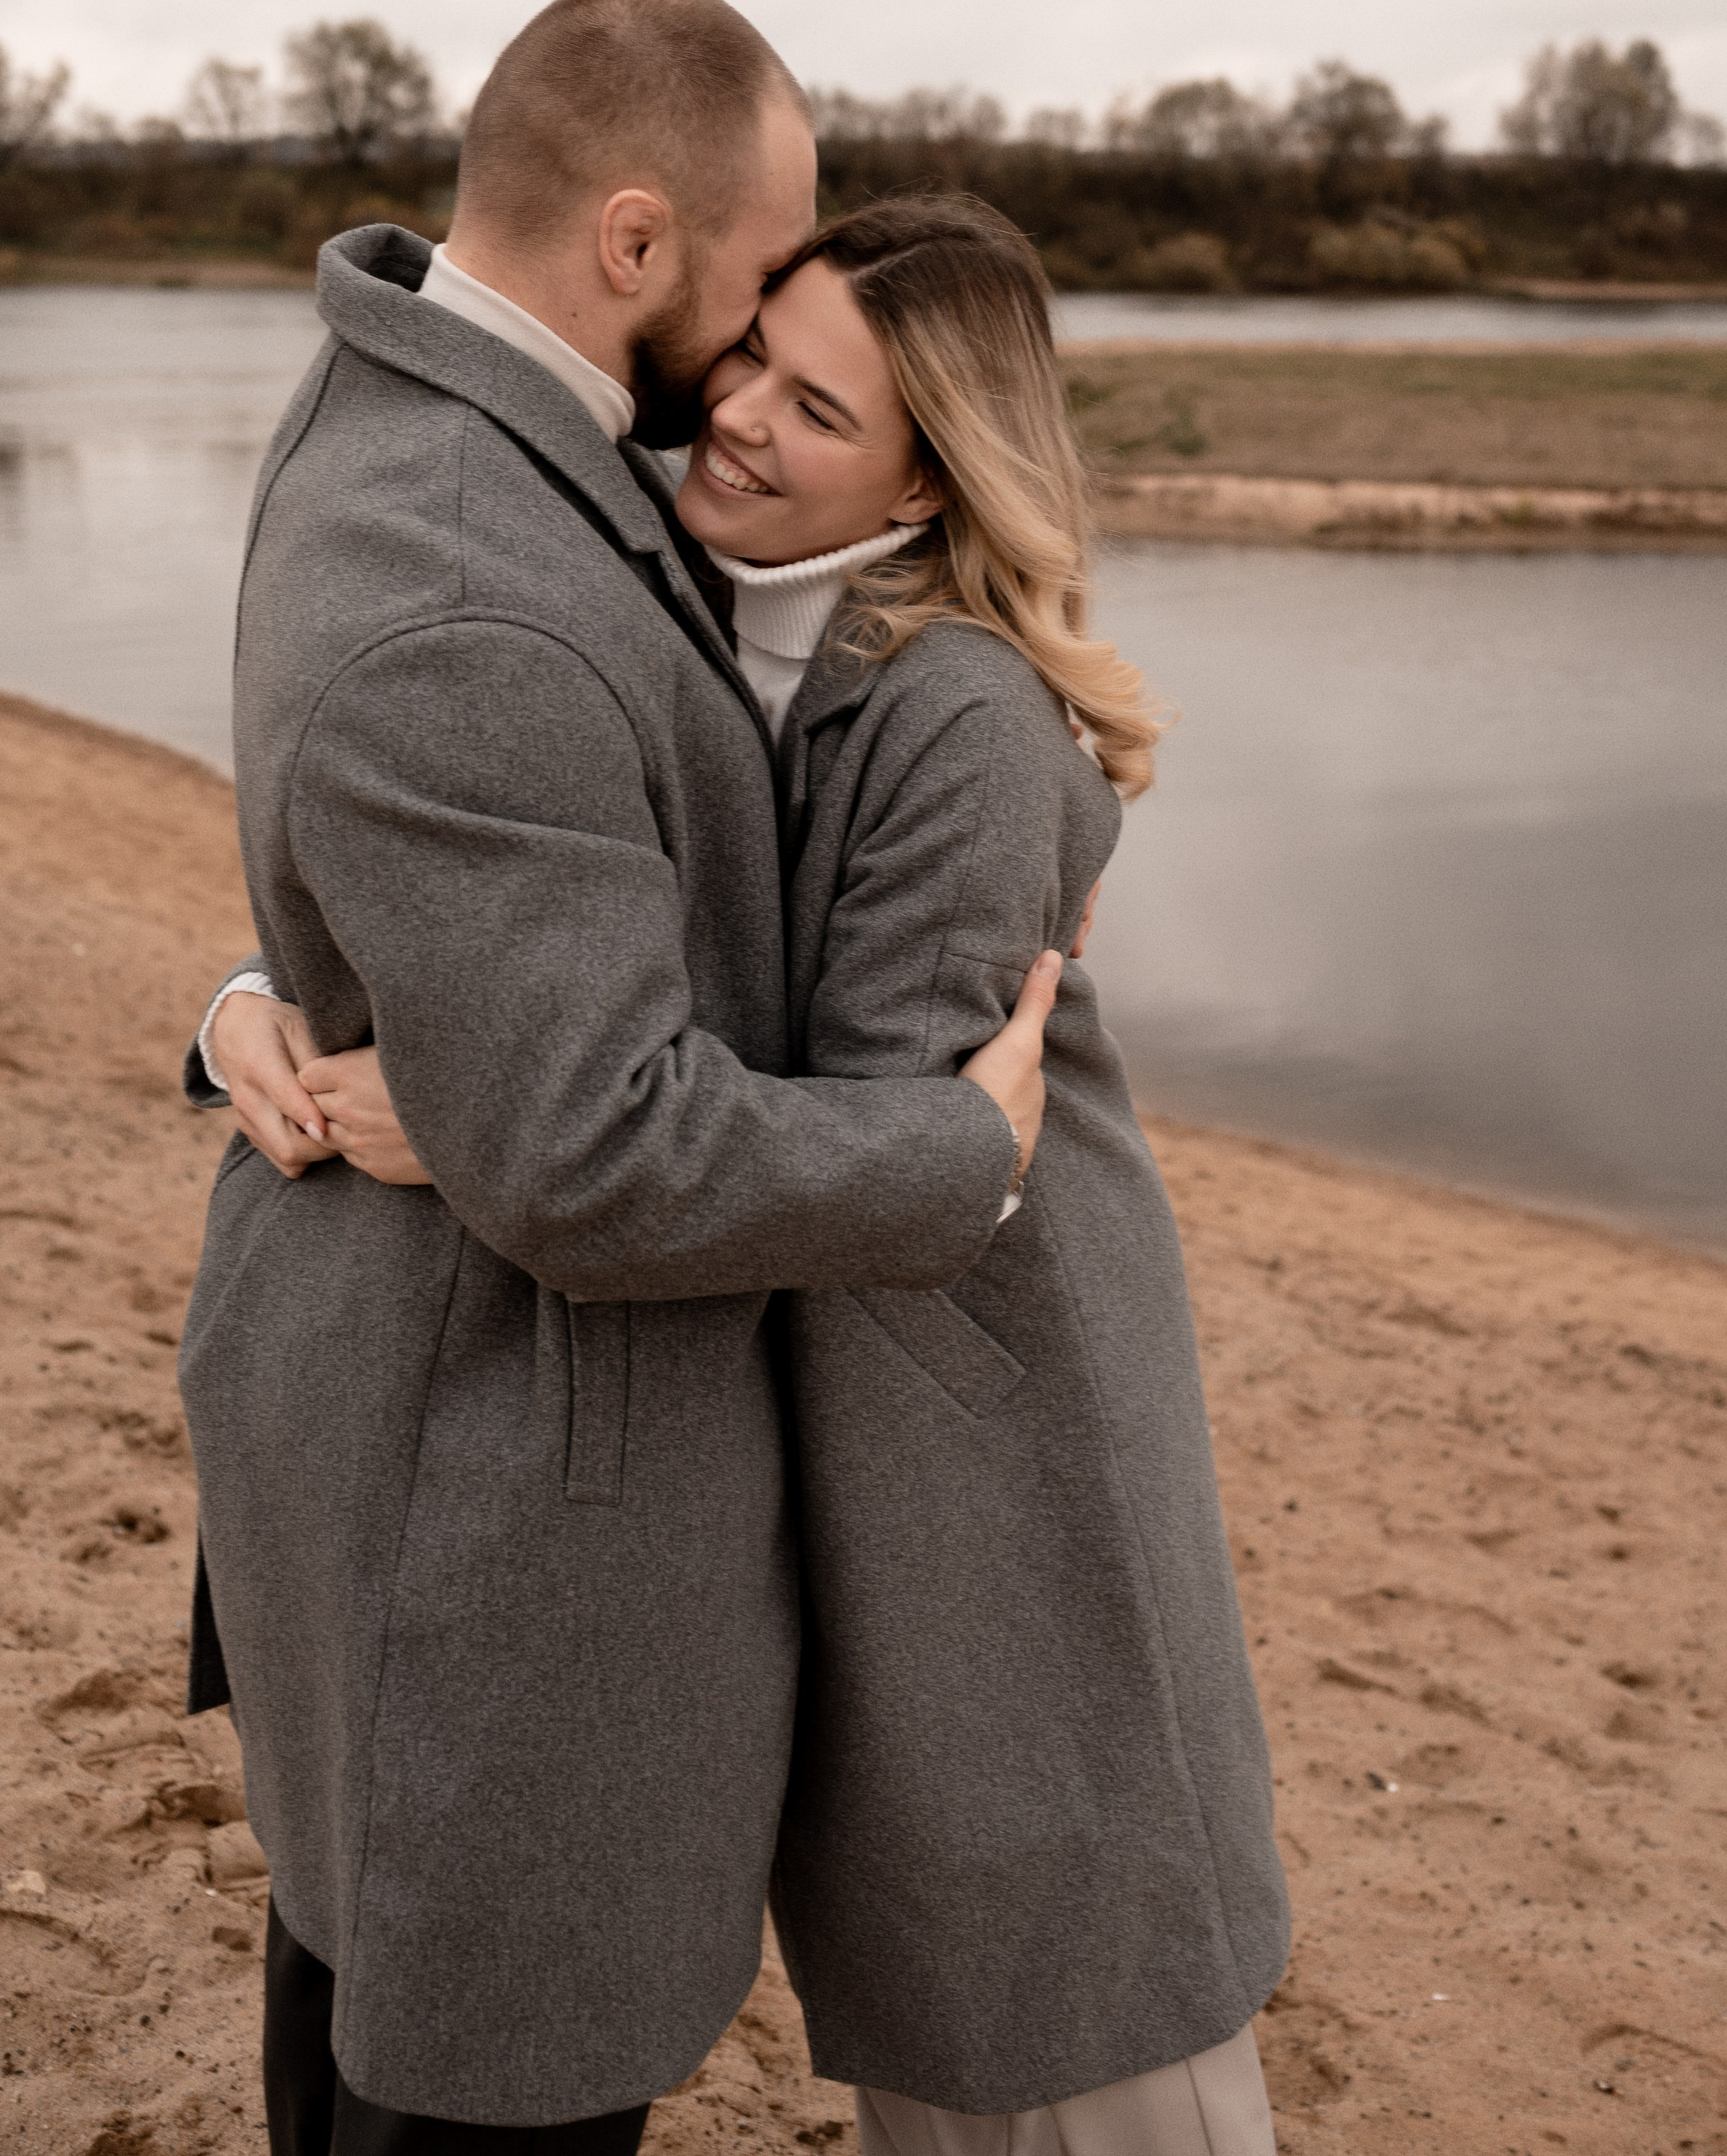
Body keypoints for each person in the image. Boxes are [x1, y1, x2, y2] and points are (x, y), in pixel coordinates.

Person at [226, 195, 1293, 2154]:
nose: (735, 418)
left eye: (818, 409)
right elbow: (486, 856)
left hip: (984, 1397)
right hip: (826, 1374)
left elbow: (852, 1104)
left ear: (929, 470)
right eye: (750, 360)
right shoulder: (688, 585)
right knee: (945, 2003)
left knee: (1061, 1997)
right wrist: (249, 993)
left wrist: (470, 1106)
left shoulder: (962, 712)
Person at [178, 0, 1060, 2156]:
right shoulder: (464, 561)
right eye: (762, 291)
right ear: (642, 245)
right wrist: (958, 1152)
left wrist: (248, 1000)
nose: (758, 363)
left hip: (410, 1438)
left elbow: (412, 870)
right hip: (489, 1518)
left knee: (365, 1999)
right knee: (458, 2072)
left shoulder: (454, 421)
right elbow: (591, 1153)